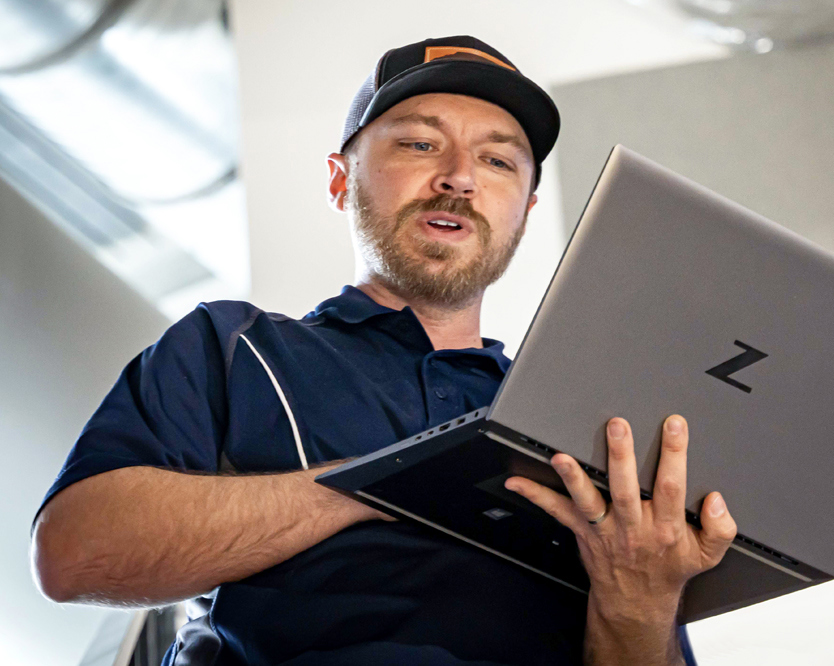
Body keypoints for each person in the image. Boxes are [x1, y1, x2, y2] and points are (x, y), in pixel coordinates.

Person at [30, 36, 737, 666]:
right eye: (421, 145)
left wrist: (641, 600)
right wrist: (378, 484)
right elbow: (74, 553)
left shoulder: (577, 423)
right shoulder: (234, 348)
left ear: (523, 211)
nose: (459, 176)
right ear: (340, 179)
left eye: (496, 160)